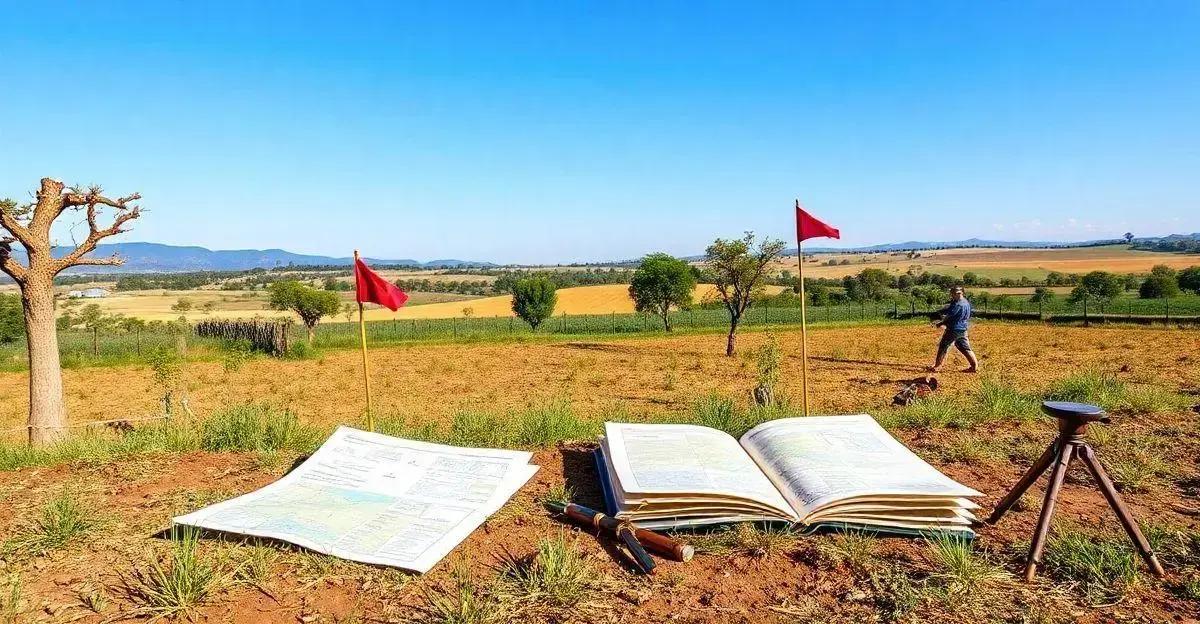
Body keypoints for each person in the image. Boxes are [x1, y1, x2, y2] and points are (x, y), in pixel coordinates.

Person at [930, 286, 979, 373]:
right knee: (965, 348)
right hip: (963, 328)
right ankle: (974, 366)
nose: (955, 295)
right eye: (954, 293)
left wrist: (940, 323)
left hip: (953, 329)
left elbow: (949, 317)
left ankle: (937, 366)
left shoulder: (957, 304)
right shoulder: (966, 302)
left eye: (956, 293)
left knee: (943, 346)